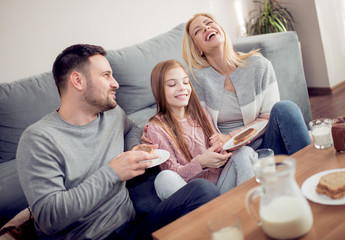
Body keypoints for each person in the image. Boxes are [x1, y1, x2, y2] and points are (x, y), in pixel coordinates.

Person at [16, 44, 220, 240]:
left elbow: (131, 128)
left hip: (132, 229)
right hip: (88, 237)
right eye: (106, 75)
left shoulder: (112, 114)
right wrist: (112, 172)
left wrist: (133, 147)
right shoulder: (38, 139)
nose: (116, 83)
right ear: (78, 81)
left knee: (203, 190)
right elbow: (49, 218)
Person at [182, 13, 311, 155]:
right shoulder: (194, 80)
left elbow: (267, 117)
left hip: (267, 144)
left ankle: (311, 166)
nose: (206, 28)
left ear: (220, 29)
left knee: (286, 108)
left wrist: (232, 136)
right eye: (198, 30)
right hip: (232, 158)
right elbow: (179, 119)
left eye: (209, 23)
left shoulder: (259, 65)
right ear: (197, 49)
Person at [146, 59, 254, 200]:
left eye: (185, 82)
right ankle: (210, 215)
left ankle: (250, 205)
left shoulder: (201, 113)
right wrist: (201, 163)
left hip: (223, 183)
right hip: (196, 196)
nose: (182, 88)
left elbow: (219, 147)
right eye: (172, 84)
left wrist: (230, 146)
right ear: (159, 89)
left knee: (245, 152)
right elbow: (172, 171)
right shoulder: (156, 128)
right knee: (164, 178)